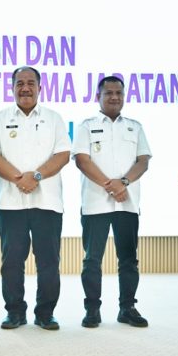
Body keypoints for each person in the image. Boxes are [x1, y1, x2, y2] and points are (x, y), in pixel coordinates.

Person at [0, 66, 71, 331]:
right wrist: (18, 178)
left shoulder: (54, 118)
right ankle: (14, 312)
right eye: (19, 83)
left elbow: (63, 155)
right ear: (12, 88)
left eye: (30, 83)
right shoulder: (0, 118)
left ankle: (45, 313)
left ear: (40, 87)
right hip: (11, 204)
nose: (25, 88)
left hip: (47, 203)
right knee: (11, 262)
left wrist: (35, 176)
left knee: (48, 262)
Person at [71, 75, 152, 328]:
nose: (114, 97)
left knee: (128, 259)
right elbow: (82, 160)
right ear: (98, 96)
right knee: (92, 259)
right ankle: (92, 310)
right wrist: (110, 185)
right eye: (109, 93)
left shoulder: (135, 126)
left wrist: (123, 183)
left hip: (127, 203)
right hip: (96, 203)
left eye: (119, 93)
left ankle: (127, 308)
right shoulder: (87, 126)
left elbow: (143, 161)